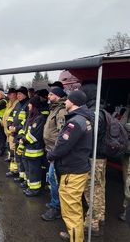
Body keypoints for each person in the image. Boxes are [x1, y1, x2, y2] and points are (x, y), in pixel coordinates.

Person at [47, 90, 93, 242]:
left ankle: (75, 238)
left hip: (72, 172)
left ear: (73, 102)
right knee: (74, 207)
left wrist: (51, 156)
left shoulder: (75, 122)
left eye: (68, 100)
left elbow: (62, 146)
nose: (65, 102)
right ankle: (74, 233)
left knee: (71, 211)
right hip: (77, 169)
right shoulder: (82, 119)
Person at [79, 83, 107, 236]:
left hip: (94, 158)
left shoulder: (93, 113)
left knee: (92, 191)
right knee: (99, 189)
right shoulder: (101, 109)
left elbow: (90, 137)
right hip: (101, 158)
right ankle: (100, 217)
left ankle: (91, 225)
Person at [41, 87, 67, 221]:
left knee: (54, 179)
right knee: (52, 178)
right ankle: (54, 203)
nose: (48, 96)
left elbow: (62, 135)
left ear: (58, 96)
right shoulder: (54, 109)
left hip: (56, 152)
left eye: (51, 94)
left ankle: (56, 208)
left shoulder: (61, 111)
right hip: (51, 150)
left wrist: (55, 153)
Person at [18, 96, 46, 197]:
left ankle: (35, 190)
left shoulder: (39, 118)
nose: (28, 105)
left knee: (34, 171)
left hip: (34, 151)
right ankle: (31, 187)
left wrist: (23, 140)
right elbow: (23, 129)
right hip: (27, 149)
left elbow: (34, 135)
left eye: (30, 104)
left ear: (33, 106)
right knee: (29, 170)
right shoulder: (30, 117)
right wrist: (20, 137)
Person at [7, 86, 30, 182]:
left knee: (22, 157)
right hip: (15, 134)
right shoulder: (18, 105)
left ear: (25, 95)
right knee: (17, 156)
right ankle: (20, 175)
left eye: (20, 94)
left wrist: (16, 128)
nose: (18, 96)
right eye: (17, 94)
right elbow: (11, 116)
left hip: (22, 136)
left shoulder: (28, 105)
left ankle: (24, 177)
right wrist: (9, 125)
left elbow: (26, 122)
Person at [119, 94, 130, 222]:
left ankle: (127, 211)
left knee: (129, 183)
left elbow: (125, 124)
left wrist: (127, 125)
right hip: (126, 150)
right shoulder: (128, 110)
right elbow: (122, 123)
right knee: (125, 180)